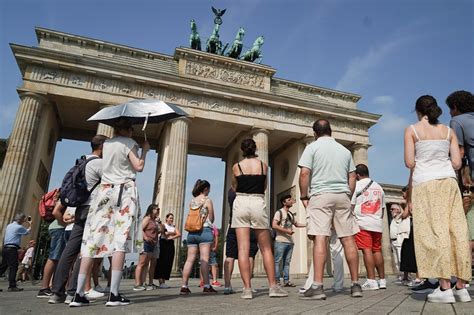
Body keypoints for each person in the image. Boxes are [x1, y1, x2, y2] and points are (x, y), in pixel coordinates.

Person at [70, 118, 150, 307]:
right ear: (129, 129)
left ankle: (78, 294)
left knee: (91, 240)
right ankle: (113, 294)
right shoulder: (129, 143)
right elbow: (138, 167)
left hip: (104, 191)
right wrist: (144, 150)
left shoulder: (105, 144)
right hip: (124, 191)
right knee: (119, 240)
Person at [404, 95, 471, 303]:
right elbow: (457, 163)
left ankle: (444, 287)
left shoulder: (412, 130)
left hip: (426, 183)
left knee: (435, 231)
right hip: (449, 183)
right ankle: (461, 286)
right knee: (457, 230)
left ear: (418, 111)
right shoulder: (448, 131)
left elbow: (409, 162)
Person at [298, 119, 362, 300]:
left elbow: (304, 173)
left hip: (321, 195)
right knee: (348, 239)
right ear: (331, 131)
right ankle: (356, 285)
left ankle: (317, 286)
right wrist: (347, 195)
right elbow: (352, 176)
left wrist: (304, 196)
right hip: (342, 195)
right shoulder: (344, 150)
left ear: (315, 133)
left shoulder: (312, 147)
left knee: (320, 237)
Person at [48, 135, 107, 304]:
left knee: (69, 251)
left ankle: (57, 292)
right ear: (102, 147)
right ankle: (73, 291)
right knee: (87, 251)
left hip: (81, 209)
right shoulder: (99, 163)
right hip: (93, 210)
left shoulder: (81, 161)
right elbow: (114, 182)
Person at [231, 138, 288, 299]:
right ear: (255, 148)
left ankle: (247, 289)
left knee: (243, 248)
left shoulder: (237, 166)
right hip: (257, 201)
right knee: (266, 248)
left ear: (242, 150)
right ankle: (273, 287)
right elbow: (264, 186)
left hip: (241, 202)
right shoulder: (263, 166)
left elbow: (234, 186)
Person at [446, 90, 474, 272]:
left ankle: (462, 273)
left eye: (450, 109)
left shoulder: (457, 121)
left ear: (455, 107)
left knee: (468, 225)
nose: (449, 113)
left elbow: (459, 153)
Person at [351, 164, 387, 290]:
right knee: (377, 250)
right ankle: (382, 280)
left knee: (366, 250)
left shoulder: (356, 186)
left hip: (363, 223)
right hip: (376, 223)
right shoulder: (379, 187)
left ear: (357, 175)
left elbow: (351, 205)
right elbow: (382, 208)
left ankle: (371, 280)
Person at [180, 179, 217, 295]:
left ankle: (184, 286)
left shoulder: (192, 201)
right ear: (205, 189)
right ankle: (206, 285)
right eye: (209, 189)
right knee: (204, 259)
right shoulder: (207, 200)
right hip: (204, 231)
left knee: (189, 259)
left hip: (191, 232)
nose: (209, 191)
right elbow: (212, 218)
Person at [223, 187, 260, 295]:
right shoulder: (249, 191)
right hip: (248, 226)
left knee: (230, 256)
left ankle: (227, 286)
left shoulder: (231, 191)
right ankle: (247, 286)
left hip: (233, 224)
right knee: (249, 255)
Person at [37, 193, 67, 298]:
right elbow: (55, 212)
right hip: (59, 228)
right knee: (54, 257)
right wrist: (65, 224)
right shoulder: (65, 195)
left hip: (57, 227)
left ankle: (51, 286)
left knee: (58, 259)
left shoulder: (61, 195)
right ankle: (44, 288)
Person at [272, 194, 305, 287]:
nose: (291, 201)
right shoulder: (279, 212)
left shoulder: (290, 214)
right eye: (289, 200)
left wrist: (307, 225)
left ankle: (286, 281)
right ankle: (277, 281)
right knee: (277, 261)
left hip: (290, 242)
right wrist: (287, 231)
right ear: (284, 202)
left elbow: (296, 224)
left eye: (291, 199)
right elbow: (274, 225)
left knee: (287, 262)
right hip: (280, 241)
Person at [0, 213, 32, 291]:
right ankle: (12, 286)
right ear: (21, 220)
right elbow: (27, 232)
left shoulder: (9, 225)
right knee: (13, 267)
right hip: (12, 249)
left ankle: (12, 285)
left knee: (2, 267)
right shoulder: (19, 227)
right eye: (23, 219)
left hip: (5, 248)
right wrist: (30, 224)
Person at [133, 204, 160, 291]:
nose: (158, 211)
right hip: (145, 243)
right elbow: (140, 229)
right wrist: (145, 237)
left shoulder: (153, 220)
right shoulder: (147, 218)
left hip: (152, 243)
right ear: (151, 210)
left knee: (145, 264)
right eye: (157, 209)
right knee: (141, 263)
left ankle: (143, 283)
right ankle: (137, 284)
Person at [155, 213, 181, 289]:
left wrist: (171, 236)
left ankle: (164, 282)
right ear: (166, 218)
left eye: (172, 218)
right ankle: (160, 282)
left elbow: (179, 234)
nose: (171, 219)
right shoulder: (163, 225)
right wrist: (172, 233)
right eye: (170, 218)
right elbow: (164, 233)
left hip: (170, 243)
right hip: (163, 243)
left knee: (168, 262)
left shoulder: (174, 226)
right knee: (161, 261)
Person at [389, 203, 410, 281]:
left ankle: (407, 277)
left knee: (401, 259)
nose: (390, 211)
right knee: (396, 260)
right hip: (393, 241)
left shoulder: (400, 217)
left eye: (392, 209)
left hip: (399, 241)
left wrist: (401, 206)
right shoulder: (393, 219)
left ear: (398, 210)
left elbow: (403, 213)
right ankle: (401, 276)